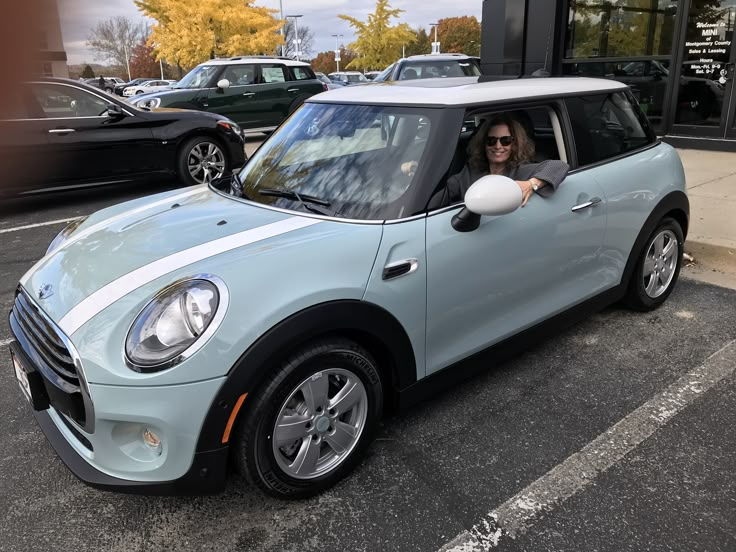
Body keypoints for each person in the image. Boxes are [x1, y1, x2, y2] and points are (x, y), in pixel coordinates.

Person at [447, 114, 569, 207]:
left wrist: (530, 184)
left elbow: (559, 166)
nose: (498, 146)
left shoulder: (522, 171)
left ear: (514, 144)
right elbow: (449, 188)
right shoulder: (471, 171)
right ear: (483, 144)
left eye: (505, 140)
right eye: (491, 140)